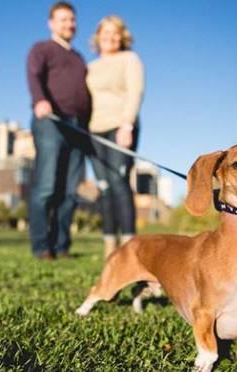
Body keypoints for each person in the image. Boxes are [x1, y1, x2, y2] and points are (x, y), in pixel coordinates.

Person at [26, 2, 91, 260]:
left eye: (72, 20)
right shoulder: (41, 49)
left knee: (70, 191)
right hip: (50, 121)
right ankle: (42, 246)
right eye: (63, 19)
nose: (69, 24)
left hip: (78, 128)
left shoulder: (78, 58)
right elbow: (33, 76)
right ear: (51, 23)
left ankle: (61, 245)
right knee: (46, 186)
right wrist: (40, 100)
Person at [86, 15, 145, 259]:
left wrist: (127, 124)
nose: (110, 36)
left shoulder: (129, 59)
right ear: (98, 36)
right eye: (105, 32)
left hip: (120, 126)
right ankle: (110, 248)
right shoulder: (90, 67)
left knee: (119, 183)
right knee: (104, 187)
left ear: (122, 36)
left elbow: (135, 91)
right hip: (93, 130)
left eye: (115, 32)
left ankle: (130, 248)